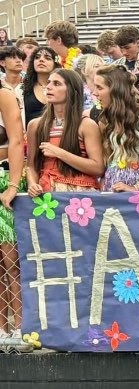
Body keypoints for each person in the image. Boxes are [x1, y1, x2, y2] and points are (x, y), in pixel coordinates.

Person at [25, 69, 103, 195]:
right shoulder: (35, 125)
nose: (49, 87)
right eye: (49, 82)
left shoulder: (87, 125)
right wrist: (33, 184)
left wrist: (59, 153)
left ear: (72, 91)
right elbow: (31, 166)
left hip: (81, 196)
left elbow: (98, 167)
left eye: (56, 84)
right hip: (47, 194)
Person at [91, 65, 139, 191]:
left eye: (99, 87)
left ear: (116, 90)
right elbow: (108, 161)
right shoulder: (104, 121)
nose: (94, 93)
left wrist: (136, 188)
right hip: (113, 190)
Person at [0, 64, 22, 338]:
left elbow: (17, 142)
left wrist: (14, 184)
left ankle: (18, 325)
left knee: (11, 260)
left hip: (3, 181)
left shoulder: (4, 95)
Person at [20, 47, 61, 125]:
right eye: (37, 57)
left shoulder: (64, 88)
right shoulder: (22, 88)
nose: (41, 60)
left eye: (47, 58)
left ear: (55, 63)